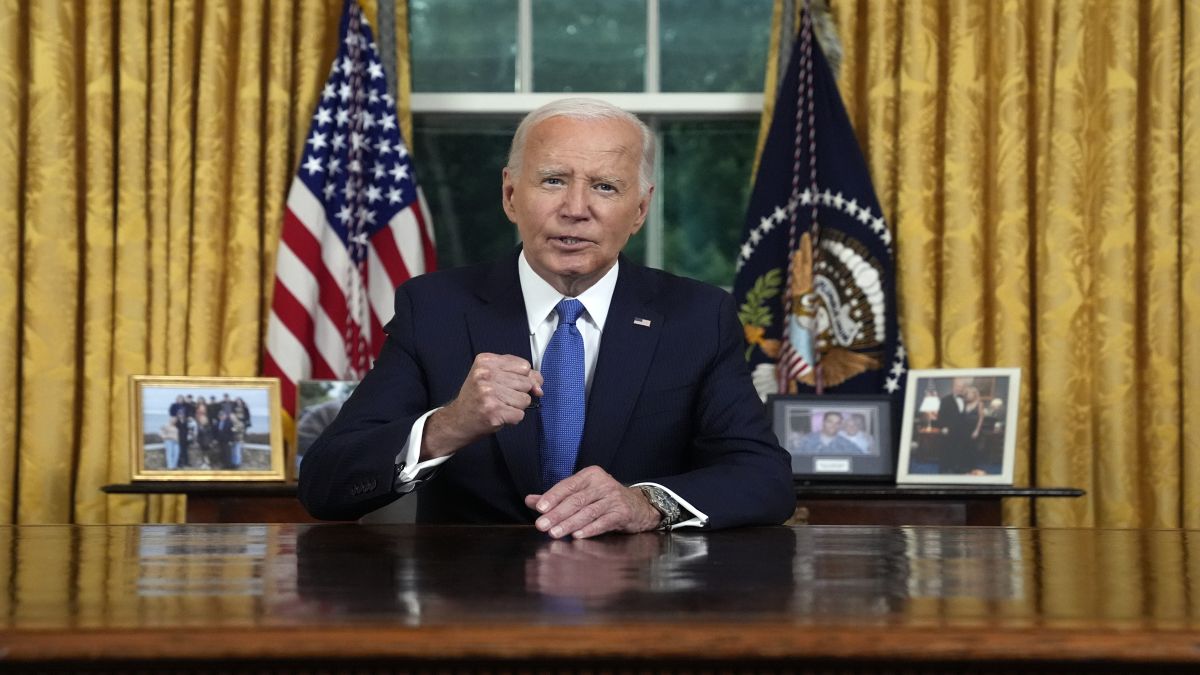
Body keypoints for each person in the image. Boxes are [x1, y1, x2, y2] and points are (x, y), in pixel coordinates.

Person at [299, 97, 794, 537]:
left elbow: (764, 478)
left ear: (640, 209)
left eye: (604, 187)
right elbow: (325, 486)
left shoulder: (698, 316)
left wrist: (645, 503)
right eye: (553, 180)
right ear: (511, 195)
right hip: (471, 607)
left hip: (637, 606)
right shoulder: (434, 309)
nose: (575, 209)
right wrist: (450, 425)